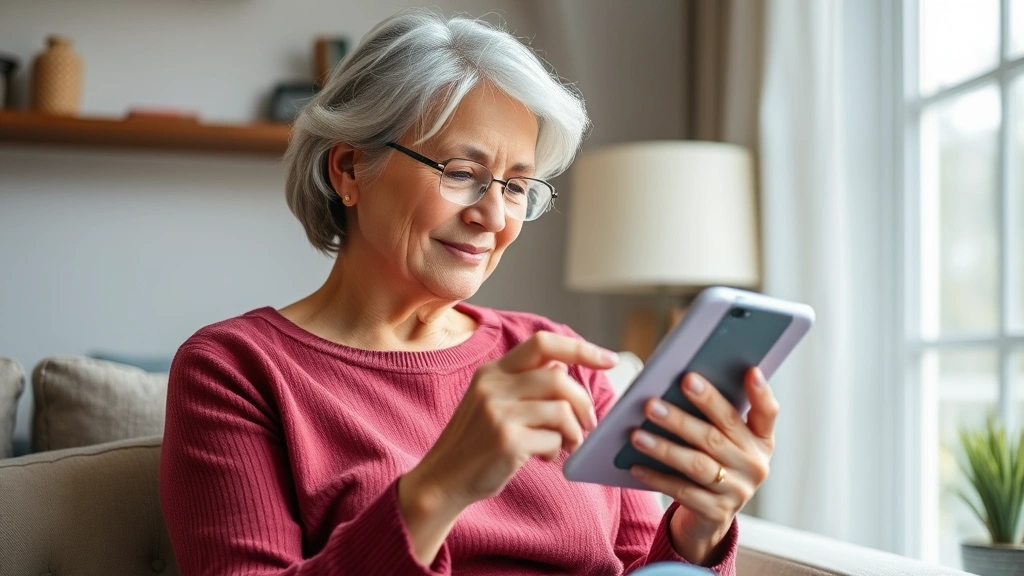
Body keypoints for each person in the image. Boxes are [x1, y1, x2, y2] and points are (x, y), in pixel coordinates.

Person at [158, 9, 778, 576]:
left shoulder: (553, 353)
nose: (494, 215)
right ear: (349, 168)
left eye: (516, 186)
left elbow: (640, 565)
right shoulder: (235, 369)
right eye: (462, 174)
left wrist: (700, 526)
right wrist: (443, 484)